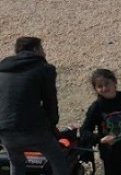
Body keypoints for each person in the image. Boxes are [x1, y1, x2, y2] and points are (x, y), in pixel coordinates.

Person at [0, 37, 71, 175]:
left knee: (16, 162)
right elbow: (50, 101)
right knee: (57, 158)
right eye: (42, 49)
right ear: (35, 50)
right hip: (32, 129)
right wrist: (52, 126)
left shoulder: (2, 70)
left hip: (5, 130)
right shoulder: (44, 69)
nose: (44, 53)